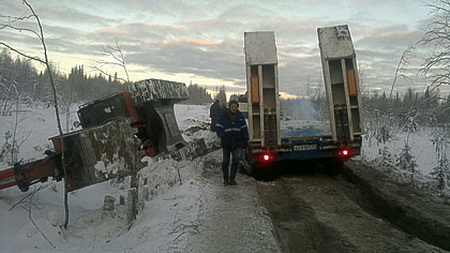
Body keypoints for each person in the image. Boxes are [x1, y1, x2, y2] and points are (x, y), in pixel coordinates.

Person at [215, 100, 249, 185]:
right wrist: (223, 136)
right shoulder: (224, 116)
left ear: (237, 107)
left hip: (236, 143)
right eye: (232, 106)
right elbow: (218, 127)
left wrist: (245, 139)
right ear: (229, 107)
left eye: (235, 106)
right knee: (225, 161)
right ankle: (225, 179)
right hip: (226, 143)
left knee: (236, 161)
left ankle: (232, 179)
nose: (233, 108)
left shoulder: (240, 117)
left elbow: (244, 129)